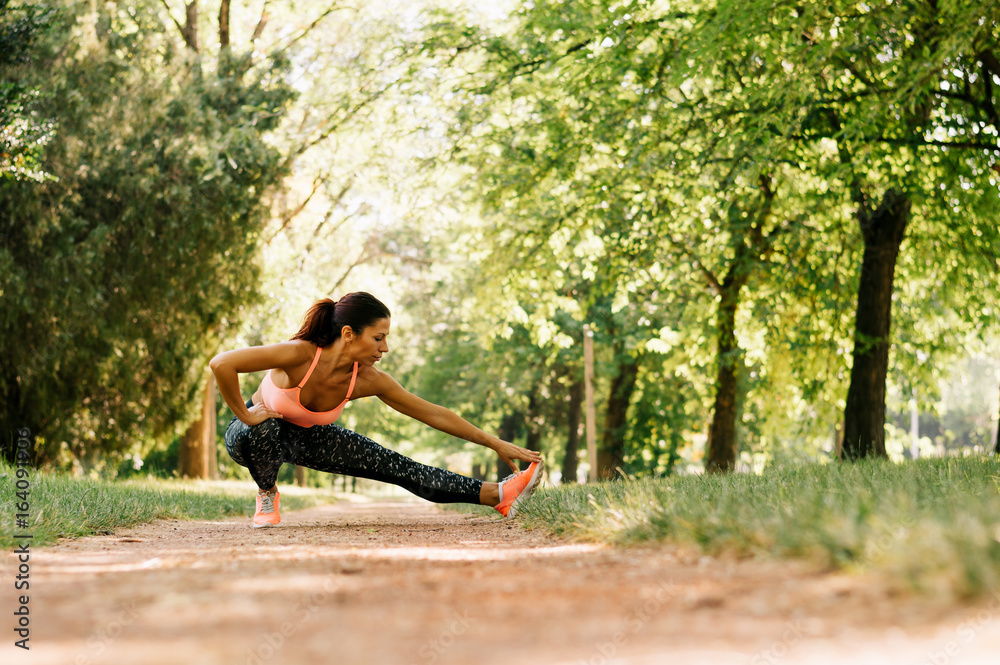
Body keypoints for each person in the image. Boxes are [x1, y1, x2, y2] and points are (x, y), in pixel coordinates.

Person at [210, 292, 544, 528]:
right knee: (264, 428)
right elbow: (223, 363)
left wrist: (493, 442)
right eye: (378, 338)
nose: (385, 348)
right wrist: (246, 414)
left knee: (395, 465)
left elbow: (434, 413)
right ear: (348, 334)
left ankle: (501, 495)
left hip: (307, 438)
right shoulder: (299, 354)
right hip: (250, 436)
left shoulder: (368, 379)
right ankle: (267, 493)